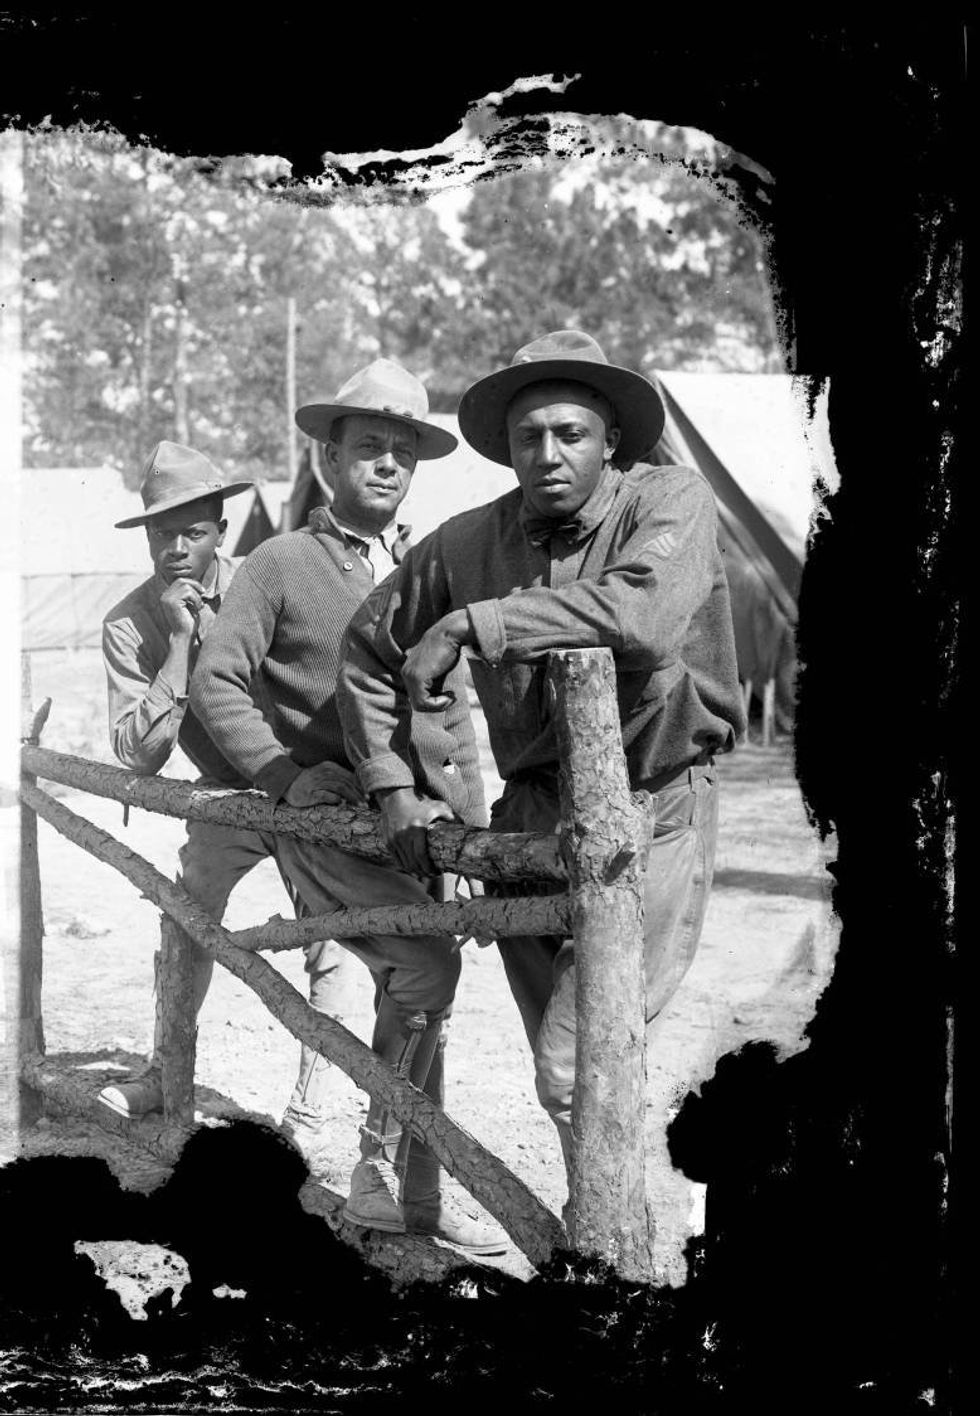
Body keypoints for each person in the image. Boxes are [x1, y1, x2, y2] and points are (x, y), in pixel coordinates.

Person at [338, 330, 746, 1207]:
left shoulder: (671, 501)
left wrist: (469, 626)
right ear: (508, 447)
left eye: (572, 434)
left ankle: (609, 1253)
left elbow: (642, 614)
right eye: (531, 436)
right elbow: (370, 647)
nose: (549, 454)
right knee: (567, 1067)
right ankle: (601, 1228)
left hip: (652, 807)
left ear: (612, 444)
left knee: (576, 1062)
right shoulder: (464, 543)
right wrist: (392, 782)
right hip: (531, 817)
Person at [189, 360, 504, 1254]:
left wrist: (472, 837)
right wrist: (285, 777)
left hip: (422, 830)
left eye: (404, 452)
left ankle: (422, 1198)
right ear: (327, 460)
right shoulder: (280, 562)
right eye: (369, 448)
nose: (388, 466)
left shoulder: (428, 563)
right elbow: (218, 682)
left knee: (425, 1001)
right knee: (425, 977)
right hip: (332, 823)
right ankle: (374, 1163)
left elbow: (450, 712)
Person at [98, 440, 358, 1143]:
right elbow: (138, 755)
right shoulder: (129, 623)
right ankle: (164, 1070)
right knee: (186, 922)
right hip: (224, 798)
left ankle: (311, 1103)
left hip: (304, 789)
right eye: (162, 532)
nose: (177, 546)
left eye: (194, 531)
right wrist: (179, 645)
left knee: (329, 939)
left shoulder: (267, 578)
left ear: (219, 530)